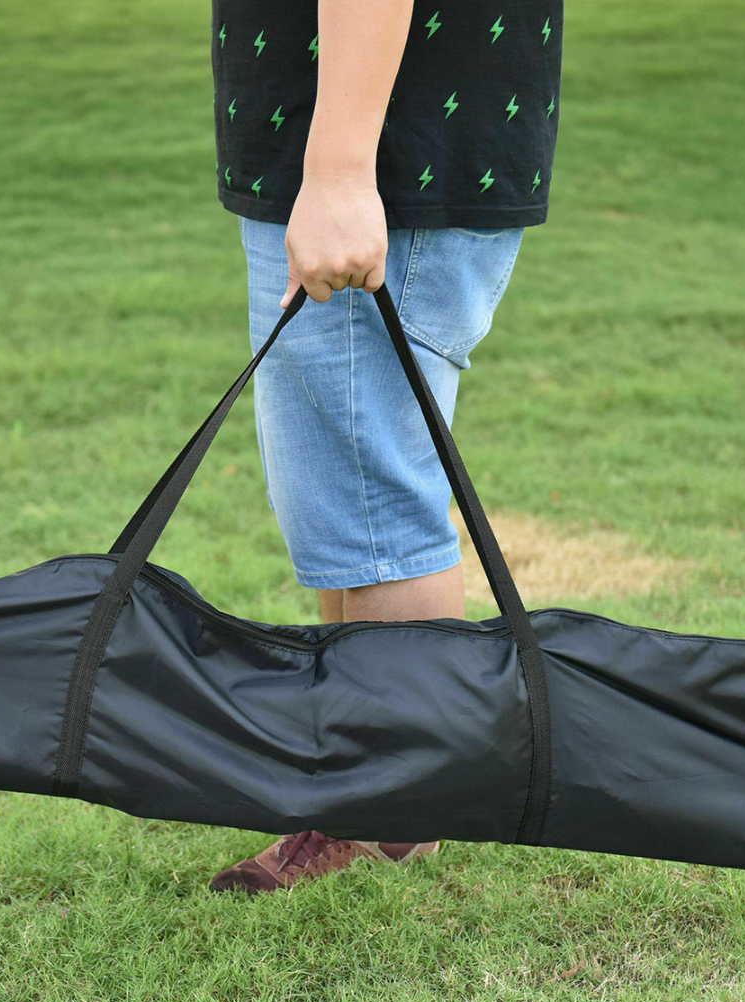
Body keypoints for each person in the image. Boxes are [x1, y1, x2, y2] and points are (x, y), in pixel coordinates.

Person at [206, 1, 563, 894]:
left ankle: (391, 818)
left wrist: (338, 169)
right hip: (351, 141)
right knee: (345, 500)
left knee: (373, 501)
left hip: (382, 149)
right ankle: (357, 792)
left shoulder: (351, 163)